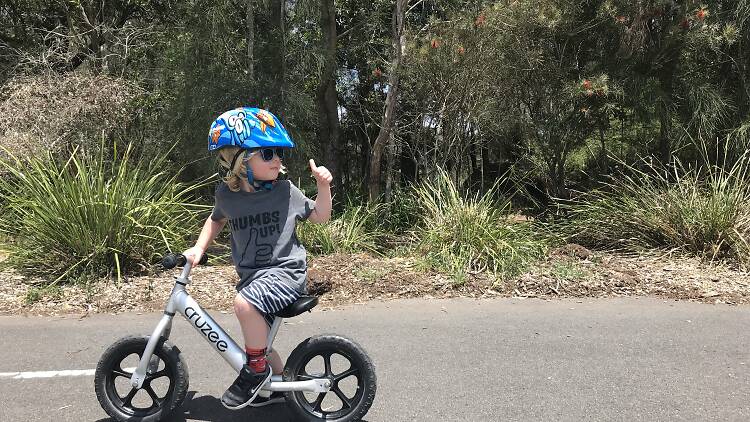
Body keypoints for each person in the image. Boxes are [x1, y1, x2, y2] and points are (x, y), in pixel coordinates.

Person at [182, 107, 332, 409]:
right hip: (254, 279)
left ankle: (255, 372)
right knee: (260, 343)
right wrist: (199, 248)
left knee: (244, 306)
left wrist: (323, 186)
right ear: (241, 161)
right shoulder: (227, 196)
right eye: (268, 153)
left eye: (278, 153)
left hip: (285, 273)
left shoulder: (285, 191)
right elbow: (216, 220)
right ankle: (275, 387)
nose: (277, 159)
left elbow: (320, 216)